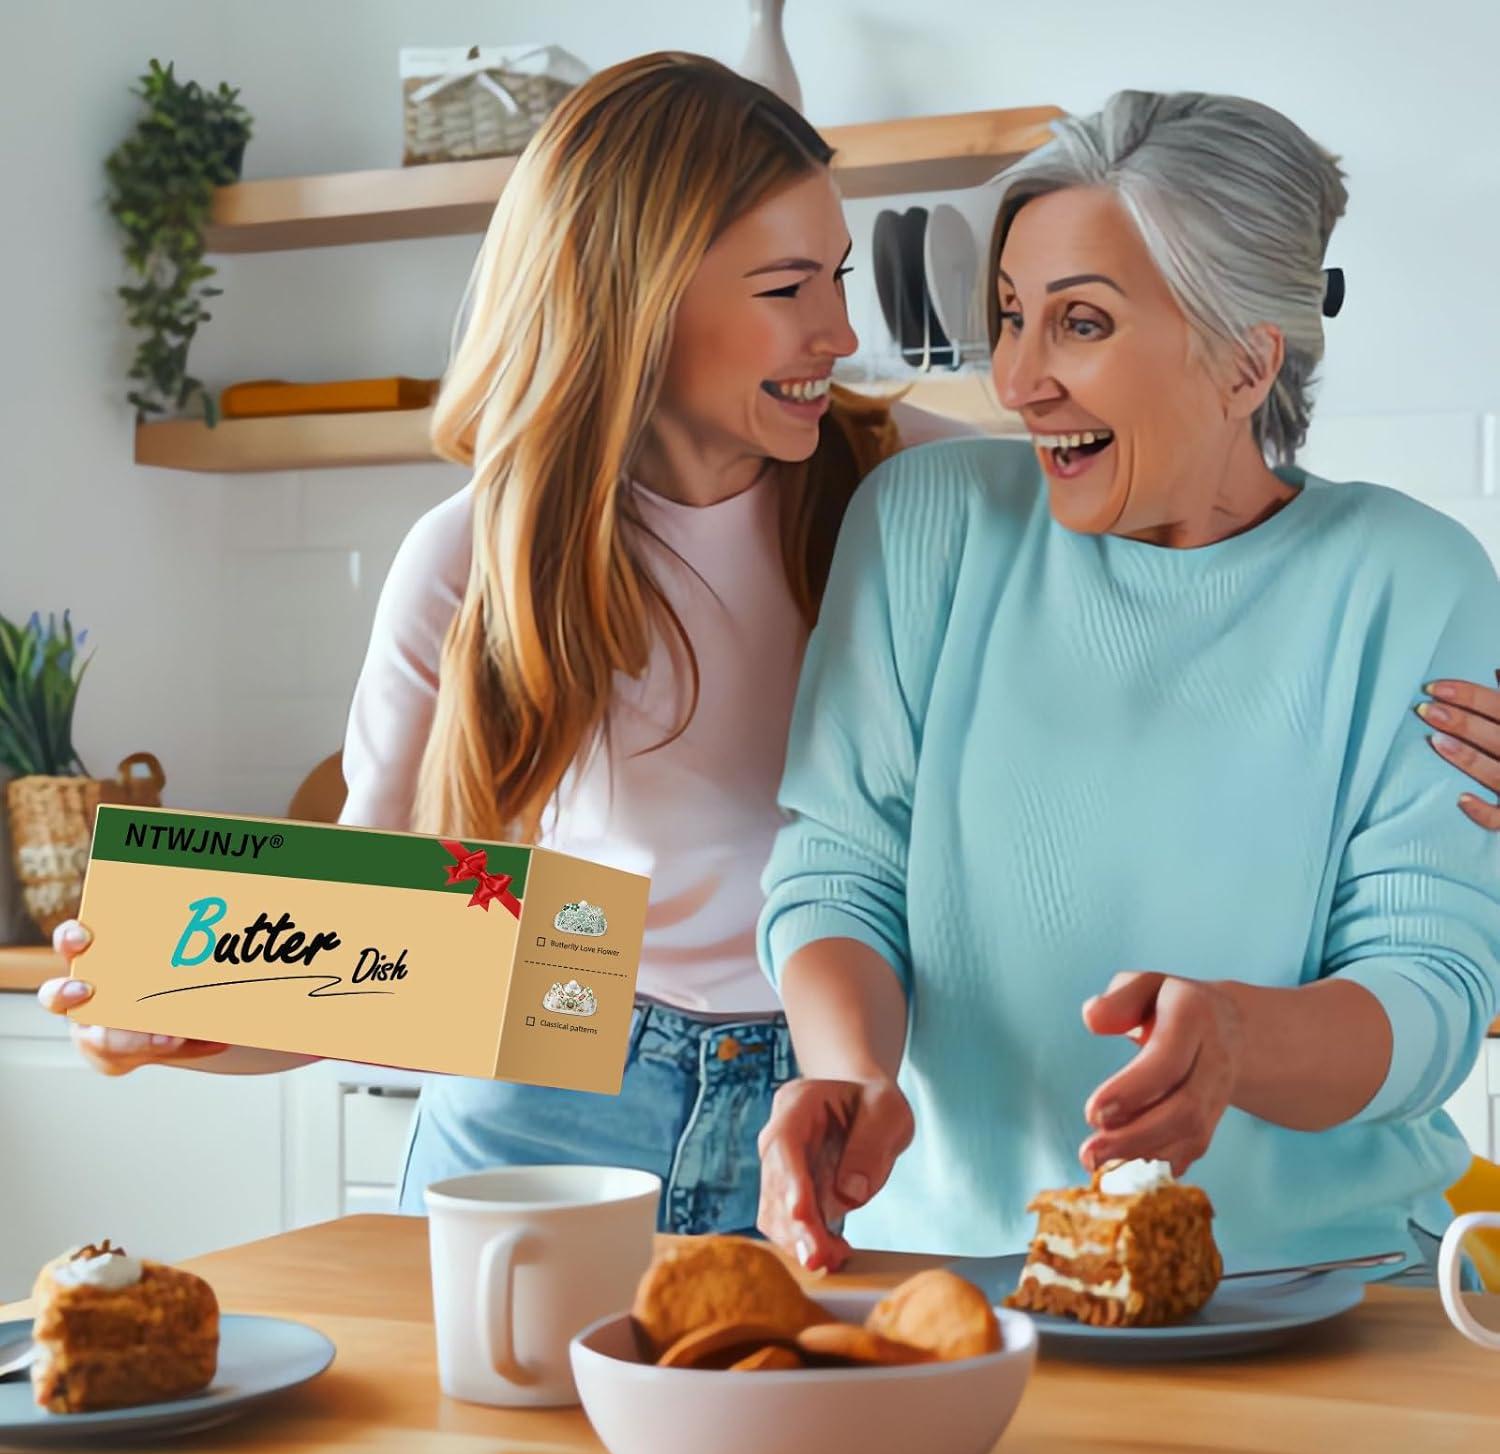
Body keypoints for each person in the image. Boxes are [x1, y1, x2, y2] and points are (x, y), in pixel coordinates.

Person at [38, 52, 960, 1235]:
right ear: (640, 293)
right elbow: (386, 952)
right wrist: (163, 1020)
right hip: (550, 1078)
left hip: (850, 1112)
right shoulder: (470, 560)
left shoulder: (920, 493)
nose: (840, 331)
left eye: (835, 275)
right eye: (788, 288)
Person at [753, 89, 1500, 1275]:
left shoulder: (1410, 581)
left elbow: (1431, 986)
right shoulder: (927, 525)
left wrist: (1242, 1042)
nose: (1017, 381)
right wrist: (849, 1076)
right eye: (1009, 317)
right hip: (946, 1280)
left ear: (1248, 360)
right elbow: (841, 869)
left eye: (1081, 324)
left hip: (1320, 1290)